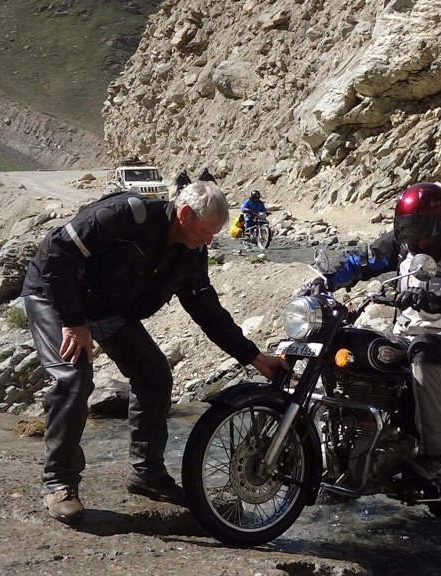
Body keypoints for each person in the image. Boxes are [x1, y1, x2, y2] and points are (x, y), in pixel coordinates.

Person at [20, 181, 287, 525]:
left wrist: (255, 358)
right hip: (55, 292)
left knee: (154, 375)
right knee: (74, 376)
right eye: (206, 232)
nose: (208, 242)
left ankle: (147, 473)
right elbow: (59, 251)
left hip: (108, 307)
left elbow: (207, 311)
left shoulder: (191, 251)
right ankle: (60, 483)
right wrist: (73, 322)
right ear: (185, 213)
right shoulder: (128, 214)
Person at [317, 182, 441, 490]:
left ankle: (434, 461)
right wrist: (327, 280)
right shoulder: (403, 244)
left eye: (423, 228)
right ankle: (345, 442)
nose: (415, 238)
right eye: (407, 228)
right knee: (351, 346)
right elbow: (362, 260)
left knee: (424, 352)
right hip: (405, 334)